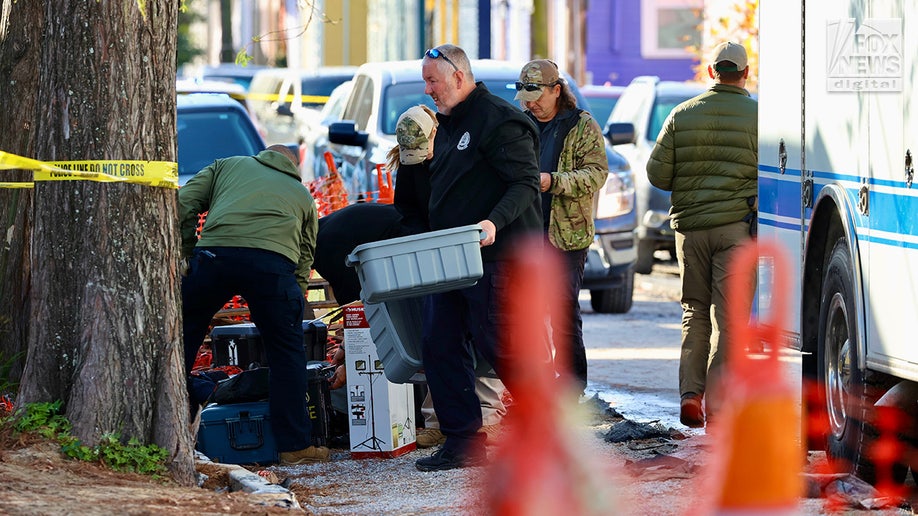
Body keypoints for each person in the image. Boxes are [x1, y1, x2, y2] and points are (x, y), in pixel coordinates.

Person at [405, 44, 543, 471]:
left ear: (459, 78)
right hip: (450, 257)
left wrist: (493, 222)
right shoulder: (446, 125)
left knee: (499, 345)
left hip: (498, 255)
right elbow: (439, 193)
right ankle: (463, 442)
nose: (427, 90)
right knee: (439, 343)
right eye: (425, 81)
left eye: (434, 81)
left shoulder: (500, 120)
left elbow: (524, 183)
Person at [179, 144, 328, 464]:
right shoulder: (302, 196)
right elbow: (305, 256)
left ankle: (168, 420)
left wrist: (188, 253)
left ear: (262, 156)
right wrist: (292, 303)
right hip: (273, 266)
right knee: (287, 353)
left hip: (216, 254)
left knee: (184, 333)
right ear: (294, 168)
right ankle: (294, 447)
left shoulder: (226, 164)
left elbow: (184, 202)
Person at [646, 41, 758, 428]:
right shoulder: (760, 116)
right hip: (736, 231)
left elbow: (657, 175)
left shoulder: (681, 114)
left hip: (691, 232)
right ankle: (721, 404)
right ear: (744, 73)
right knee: (732, 320)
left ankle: (690, 395)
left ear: (711, 72)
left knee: (695, 312)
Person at [515, 59, 608, 397]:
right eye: (525, 95)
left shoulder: (582, 125)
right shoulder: (520, 123)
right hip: (524, 232)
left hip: (567, 236)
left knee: (562, 309)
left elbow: (596, 174)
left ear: (557, 90)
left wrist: (553, 181)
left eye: (536, 94)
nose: (530, 102)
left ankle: (570, 386)